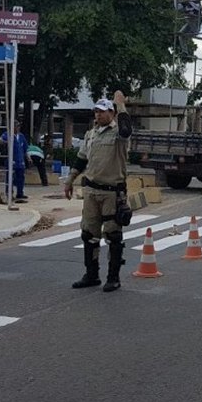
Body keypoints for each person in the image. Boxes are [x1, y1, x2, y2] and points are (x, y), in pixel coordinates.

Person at [65, 92, 132, 293]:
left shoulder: (119, 133)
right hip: (91, 191)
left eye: (102, 111)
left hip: (112, 193)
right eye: (96, 111)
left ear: (112, 113)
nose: (98, 115)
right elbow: (81, 159)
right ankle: (92, 275)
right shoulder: (90, 134)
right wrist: (70, 181)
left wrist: (120, 104)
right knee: (89, 234)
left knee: (112, 235)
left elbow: (127, 128)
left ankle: (113, 278)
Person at [11, 120, 28, 202]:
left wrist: (28, 157)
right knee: (11, 178)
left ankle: (20, 193)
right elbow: (1, 140)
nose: (17, 128)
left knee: (21, 178)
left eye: (18, 126)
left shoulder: (21, 136)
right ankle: (9, 193)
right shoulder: (8, 135)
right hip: (12, 161)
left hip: (20, 161)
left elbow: (25, 149)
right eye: (16, 126)